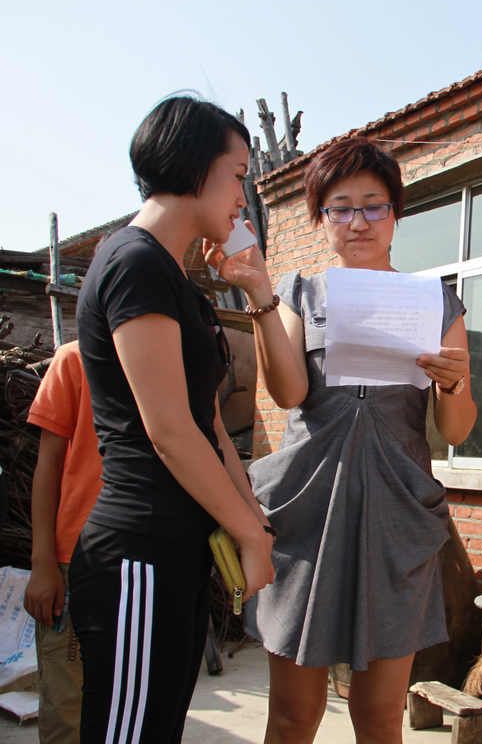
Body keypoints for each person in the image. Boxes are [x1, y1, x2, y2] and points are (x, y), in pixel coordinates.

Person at [207, 136, 478, 744]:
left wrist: (454, 383)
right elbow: (288, 394)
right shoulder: (299, 294)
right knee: (292, 717)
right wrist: (259, 297)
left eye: (374, 206)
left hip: (396, 516)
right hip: (308, 512)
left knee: (379, 718)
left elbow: (457, 429)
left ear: (396, 215)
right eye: (341, 208)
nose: (358, 222)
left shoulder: (435, 301)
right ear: (321, 218)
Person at [70, 95, 275, 744]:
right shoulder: (133, 263)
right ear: (194, 165)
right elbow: (169, 431)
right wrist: (249, 535)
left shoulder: (179, 284)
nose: (243, 198)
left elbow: (209, 427)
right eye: (237, 174)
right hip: (140, 553)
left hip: (180, 554)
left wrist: (255, 523)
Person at [23, 340, 101, 743]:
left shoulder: (173, 353)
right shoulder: (74, 359)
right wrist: (43, 563)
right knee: (66, 709)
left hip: (145, 560)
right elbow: (48, 464)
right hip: (74, 560)